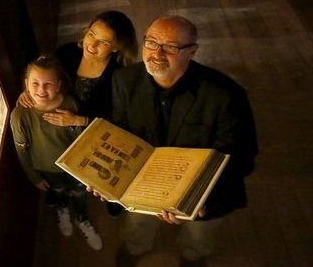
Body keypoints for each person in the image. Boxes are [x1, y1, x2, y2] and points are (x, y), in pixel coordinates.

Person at [105, 15, 258, 265]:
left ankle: (192, 257)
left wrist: (197, 199)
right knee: (137, 224)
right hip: (143, 187)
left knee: (198, 235)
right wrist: (105, 178)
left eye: (171, 47)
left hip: (202, 197)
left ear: (193, 51)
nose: (157, 53)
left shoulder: (226, 95)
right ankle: (135, 247)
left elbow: (242, 158)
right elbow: (121, 133)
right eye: (151, 42)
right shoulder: (123, 81)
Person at [19, 10, 138, 216]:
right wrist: (28, 92)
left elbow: (119, 122)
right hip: (57, 129)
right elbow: (42, 75)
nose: (91, 45)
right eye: (91, 34)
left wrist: (78, 120)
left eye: (104, 42)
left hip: (93, 134)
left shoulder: (119, 75)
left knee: (98, 180)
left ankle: (111, 199)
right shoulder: (67, 52)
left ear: (117, 47)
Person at [10, 55, 103, 250]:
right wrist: (33, 176)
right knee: (59, 191)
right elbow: (22, 151)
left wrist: (74, 122)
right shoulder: (20, 116)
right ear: (26, 84)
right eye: (35, 83)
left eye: (48, 84)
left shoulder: (70, 105)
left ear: (59, 84)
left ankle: (82, 218)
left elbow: (81, 139)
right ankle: (62, 210)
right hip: (47, 168)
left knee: (79, 192)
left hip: (74, 167)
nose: (41, 90)